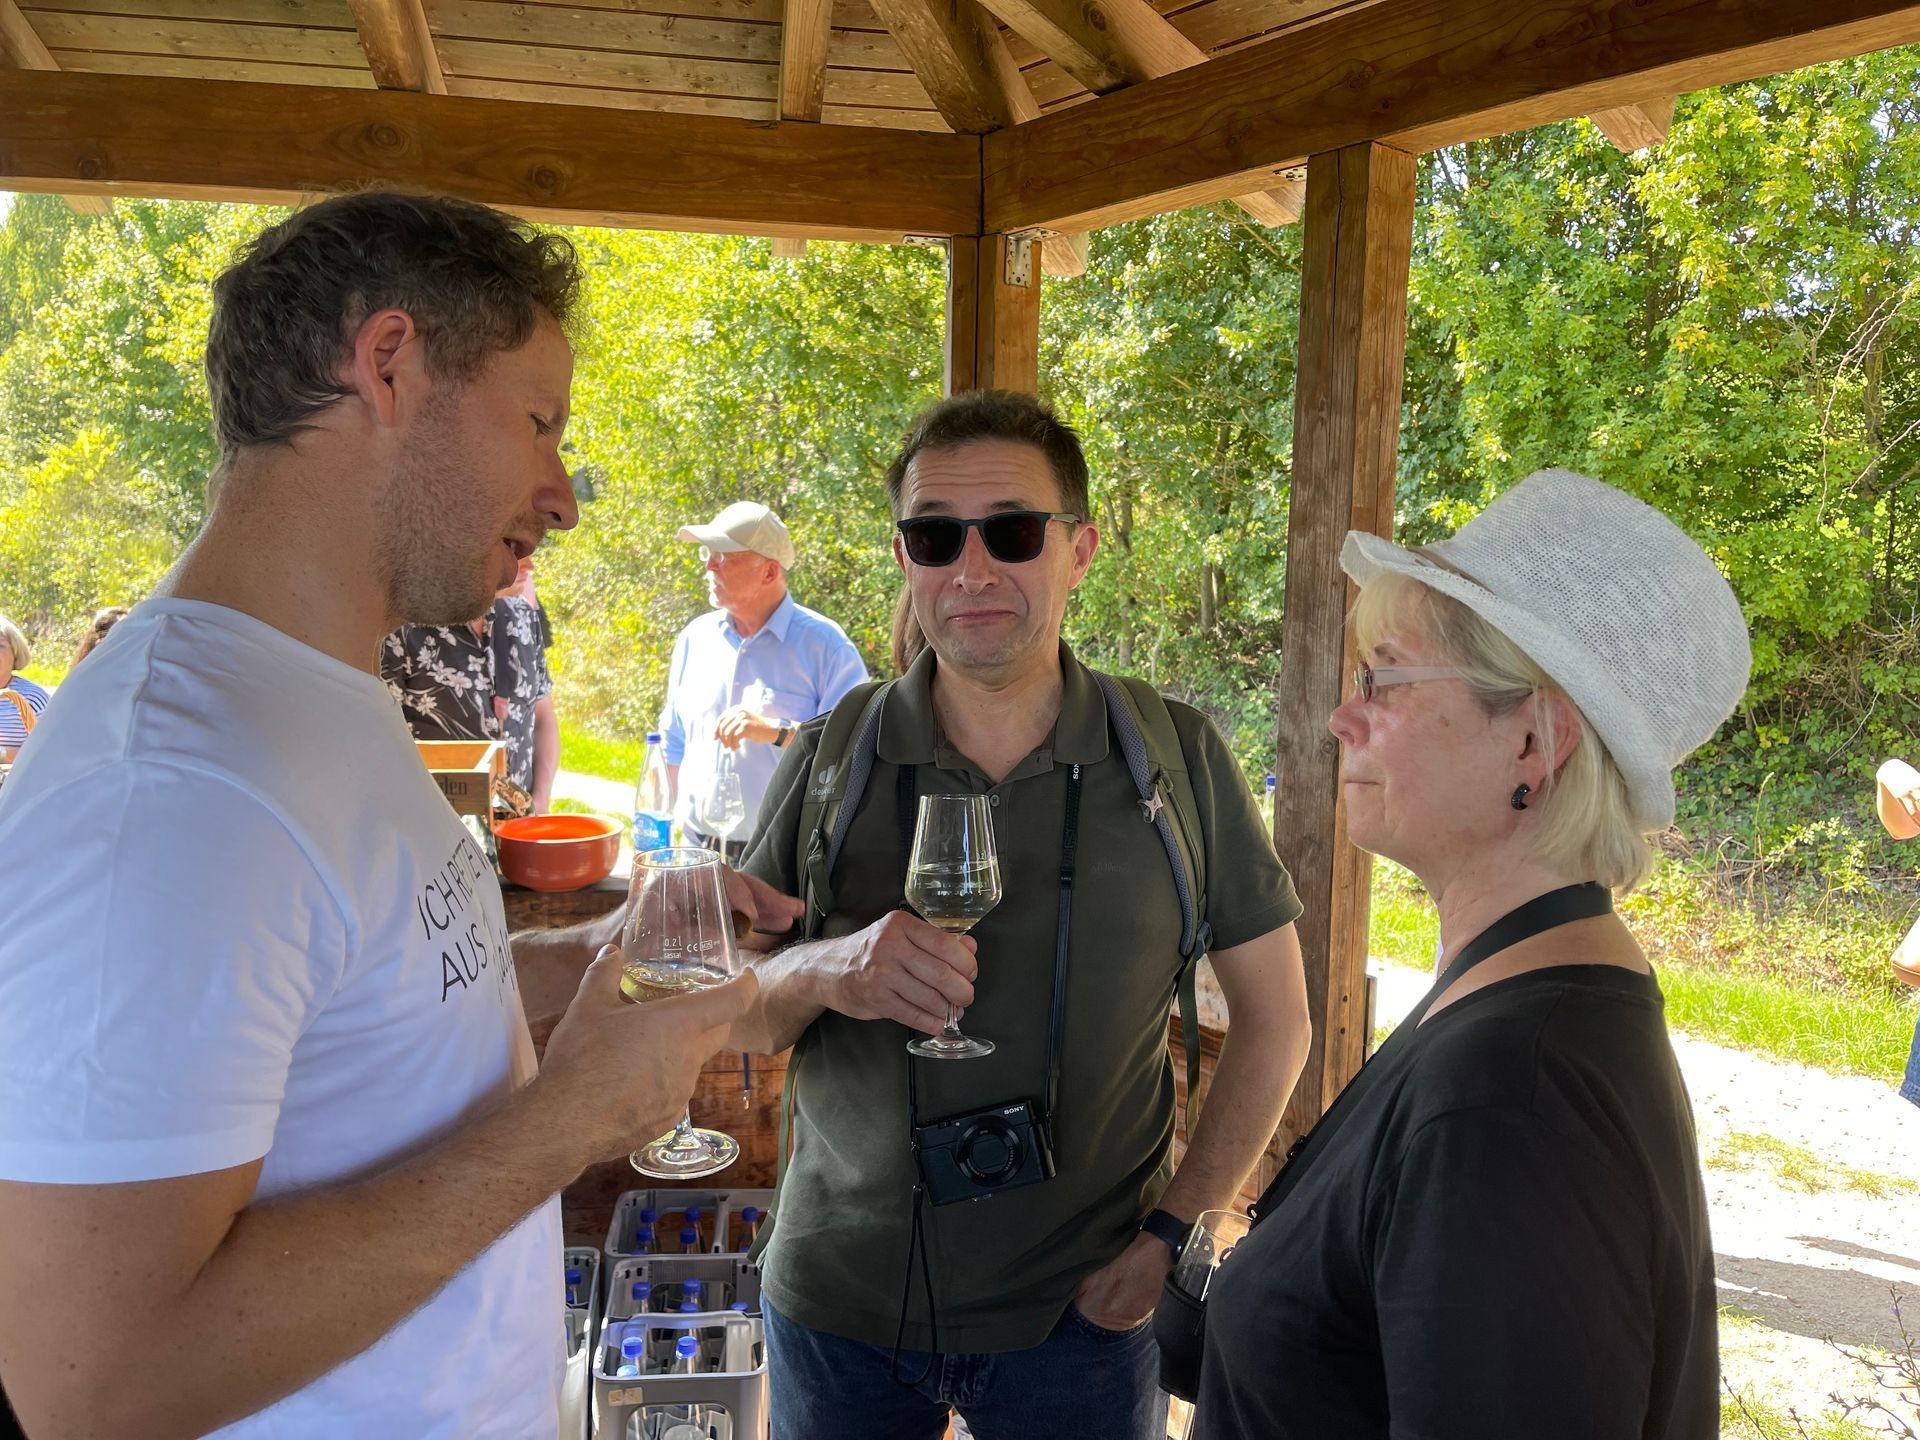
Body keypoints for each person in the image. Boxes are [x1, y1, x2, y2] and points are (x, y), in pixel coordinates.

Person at [0, 191, 763, 1439]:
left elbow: (355, 1005)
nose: (562, 494)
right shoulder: (172, 785)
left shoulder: (320, 691)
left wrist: (582, 960)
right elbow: (92, 1384)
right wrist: (567, 1123)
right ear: (390, 364)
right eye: (538, 423)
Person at [727, 391, 1312, 1440]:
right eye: (935, 536)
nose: (972, 568)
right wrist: (827, 969)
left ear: (1079, 550)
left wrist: (1171, 1239)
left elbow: (1279, 1022)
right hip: (840, 1305)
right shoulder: (831, 757)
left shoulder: (1174, 759)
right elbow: (744, 1010)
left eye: (1011, 532)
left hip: (1084, 1317)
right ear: (904, 558)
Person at [1191, 469, 1750, 1439]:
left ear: (1533, 742)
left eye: (1383, 679)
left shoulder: (1512, 1104)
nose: (1341, 718)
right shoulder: (1508, 998)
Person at [659, 499, 867, 855]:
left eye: (723, 556)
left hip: (780, 857)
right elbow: (672, 740)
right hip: (694, 850)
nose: (709, 565)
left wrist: (776, 731)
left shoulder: (827, 648)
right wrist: (664, 821)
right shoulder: (695, 638)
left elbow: (853, 753)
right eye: (708, 553)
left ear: (769, 572)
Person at [383, 556, 559, 813]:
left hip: (521, 827)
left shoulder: (524, 618)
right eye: (511, 549)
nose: (529, 564)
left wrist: (540, 804)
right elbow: (380, 741)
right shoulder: (403, 628)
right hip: (436, 827)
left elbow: (543, 718)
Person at [0, 614, 49, 762]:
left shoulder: (32, 697)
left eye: (0, 646)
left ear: (16, 653)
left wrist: (3, 754)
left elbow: (50, 749)